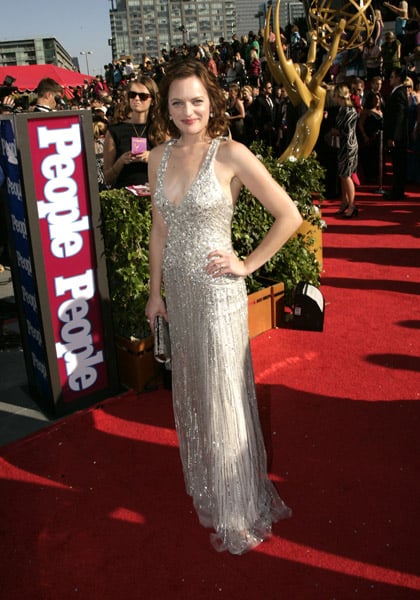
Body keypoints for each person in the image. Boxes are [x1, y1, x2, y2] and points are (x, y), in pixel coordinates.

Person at [145, 58, 301, 555]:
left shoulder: (231, 153)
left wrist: (247, 264)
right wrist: (154, 292)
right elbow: (160, 231)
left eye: (196, 100)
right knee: (194, 394)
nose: (187, 110)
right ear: (165, 108)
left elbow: (289, 215)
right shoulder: (156, 158)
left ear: (211, 101)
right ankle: (212, 486)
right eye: (176, 102)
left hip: (218, 296)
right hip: (180, 294)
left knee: (225, 398)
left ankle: (237, 507)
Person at [103, 76, 159, 188]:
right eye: (132, 95)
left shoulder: (160, 129)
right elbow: (107, 179)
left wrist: (153, 158)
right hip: (125, 199)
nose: (136, 99)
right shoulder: (115, 131)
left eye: (143, 96)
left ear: (152, 100)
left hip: (155, 198)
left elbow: (176, 169)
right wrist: (121, 162)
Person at [330, 84, 359, 217]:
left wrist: (335, 131)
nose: (333, 97)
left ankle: (352, 205)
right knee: (342, 175)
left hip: (348, 146)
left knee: (347, 175)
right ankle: (345, 202)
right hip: (342, 146)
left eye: (335, 95)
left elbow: (347, 131)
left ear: (340, 95)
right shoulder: (341, 109)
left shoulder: (350, 111)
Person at [383, 67, 409, 199]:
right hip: (396, 135)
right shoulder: (398, 92)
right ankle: (396, 190)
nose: (390, 79)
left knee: (398, 165)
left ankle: (398, 193)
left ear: (398, 78)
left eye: (392, 77)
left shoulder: (400, 93)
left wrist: (393, 136)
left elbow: (399, 117)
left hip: (397, 137)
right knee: (397, 164)